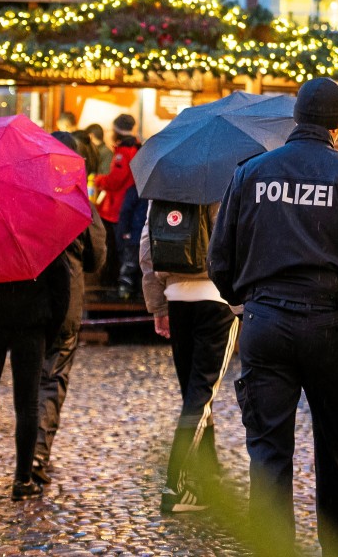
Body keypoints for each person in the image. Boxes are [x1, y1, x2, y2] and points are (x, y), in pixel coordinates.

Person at [208, 77, 338, 557]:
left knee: (268, 449)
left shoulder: (251, 174)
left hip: (266, 325)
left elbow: (221, 257)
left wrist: (245, 307)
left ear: (296, 116)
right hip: (331, 328)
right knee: (337, 445)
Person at [139, 201, 239, 514]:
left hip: (177, 298)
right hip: (216, 297)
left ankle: (208, 478)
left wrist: (158, 305)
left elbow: (147, 248)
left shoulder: (165, 184)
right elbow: (237, 240)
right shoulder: (227, 180)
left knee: (195, 395)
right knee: (200, 396)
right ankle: (175, 485)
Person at [0, 254, 70, 510]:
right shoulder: (41, 232)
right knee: (27, 405)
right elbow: (61, 288)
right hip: (30, 323)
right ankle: (22, 481)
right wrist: (49, 333)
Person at [30, 133, 107, 486]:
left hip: (27, 304)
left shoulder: (26, 195)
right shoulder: (78, 201)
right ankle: (36, 455)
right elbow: (95, 259)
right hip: (66, 305)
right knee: (52, 380)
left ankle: (24, 457)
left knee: (27, 381)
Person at [94, 114, 139, 290]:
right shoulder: (136, 147)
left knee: (114, 248)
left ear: (117, 130)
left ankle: (112, 282)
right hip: (127, 205)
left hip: (116, 208)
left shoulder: (123, 152)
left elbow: (115, 181)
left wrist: (98, 180)